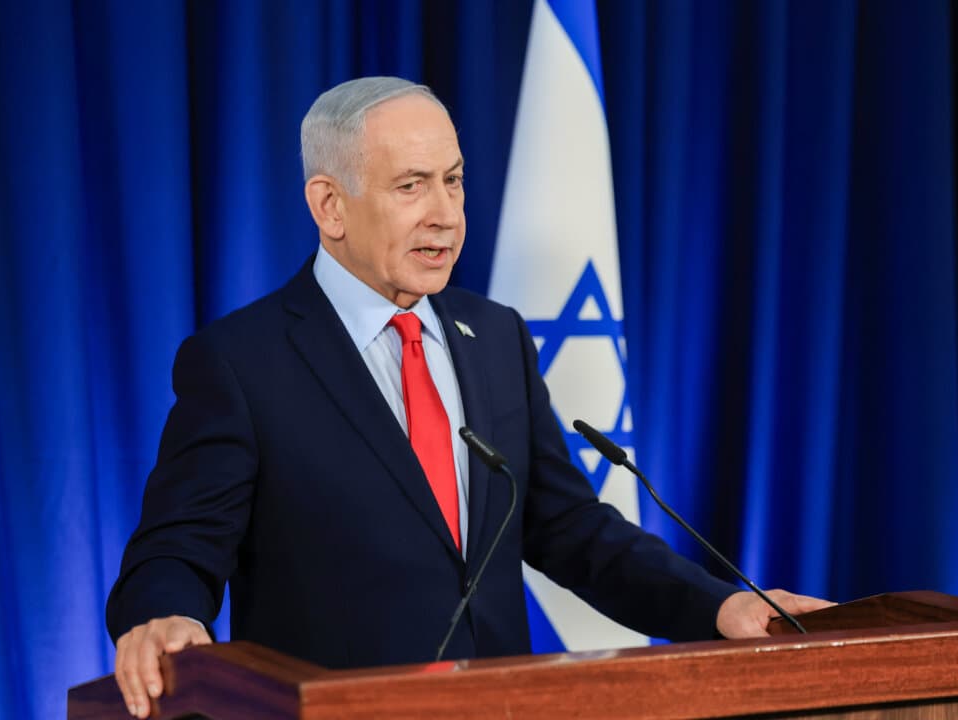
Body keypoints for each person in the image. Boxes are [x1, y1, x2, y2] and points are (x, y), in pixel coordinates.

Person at [107, 77, 831, 719]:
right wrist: (166, 614)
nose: (446, 214)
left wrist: (718, 604)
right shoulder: (242, 362)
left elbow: (569, 527)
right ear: (330, 205)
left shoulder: (493, 335)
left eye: (453, 181)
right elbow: (178, 543)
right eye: (411, 185)